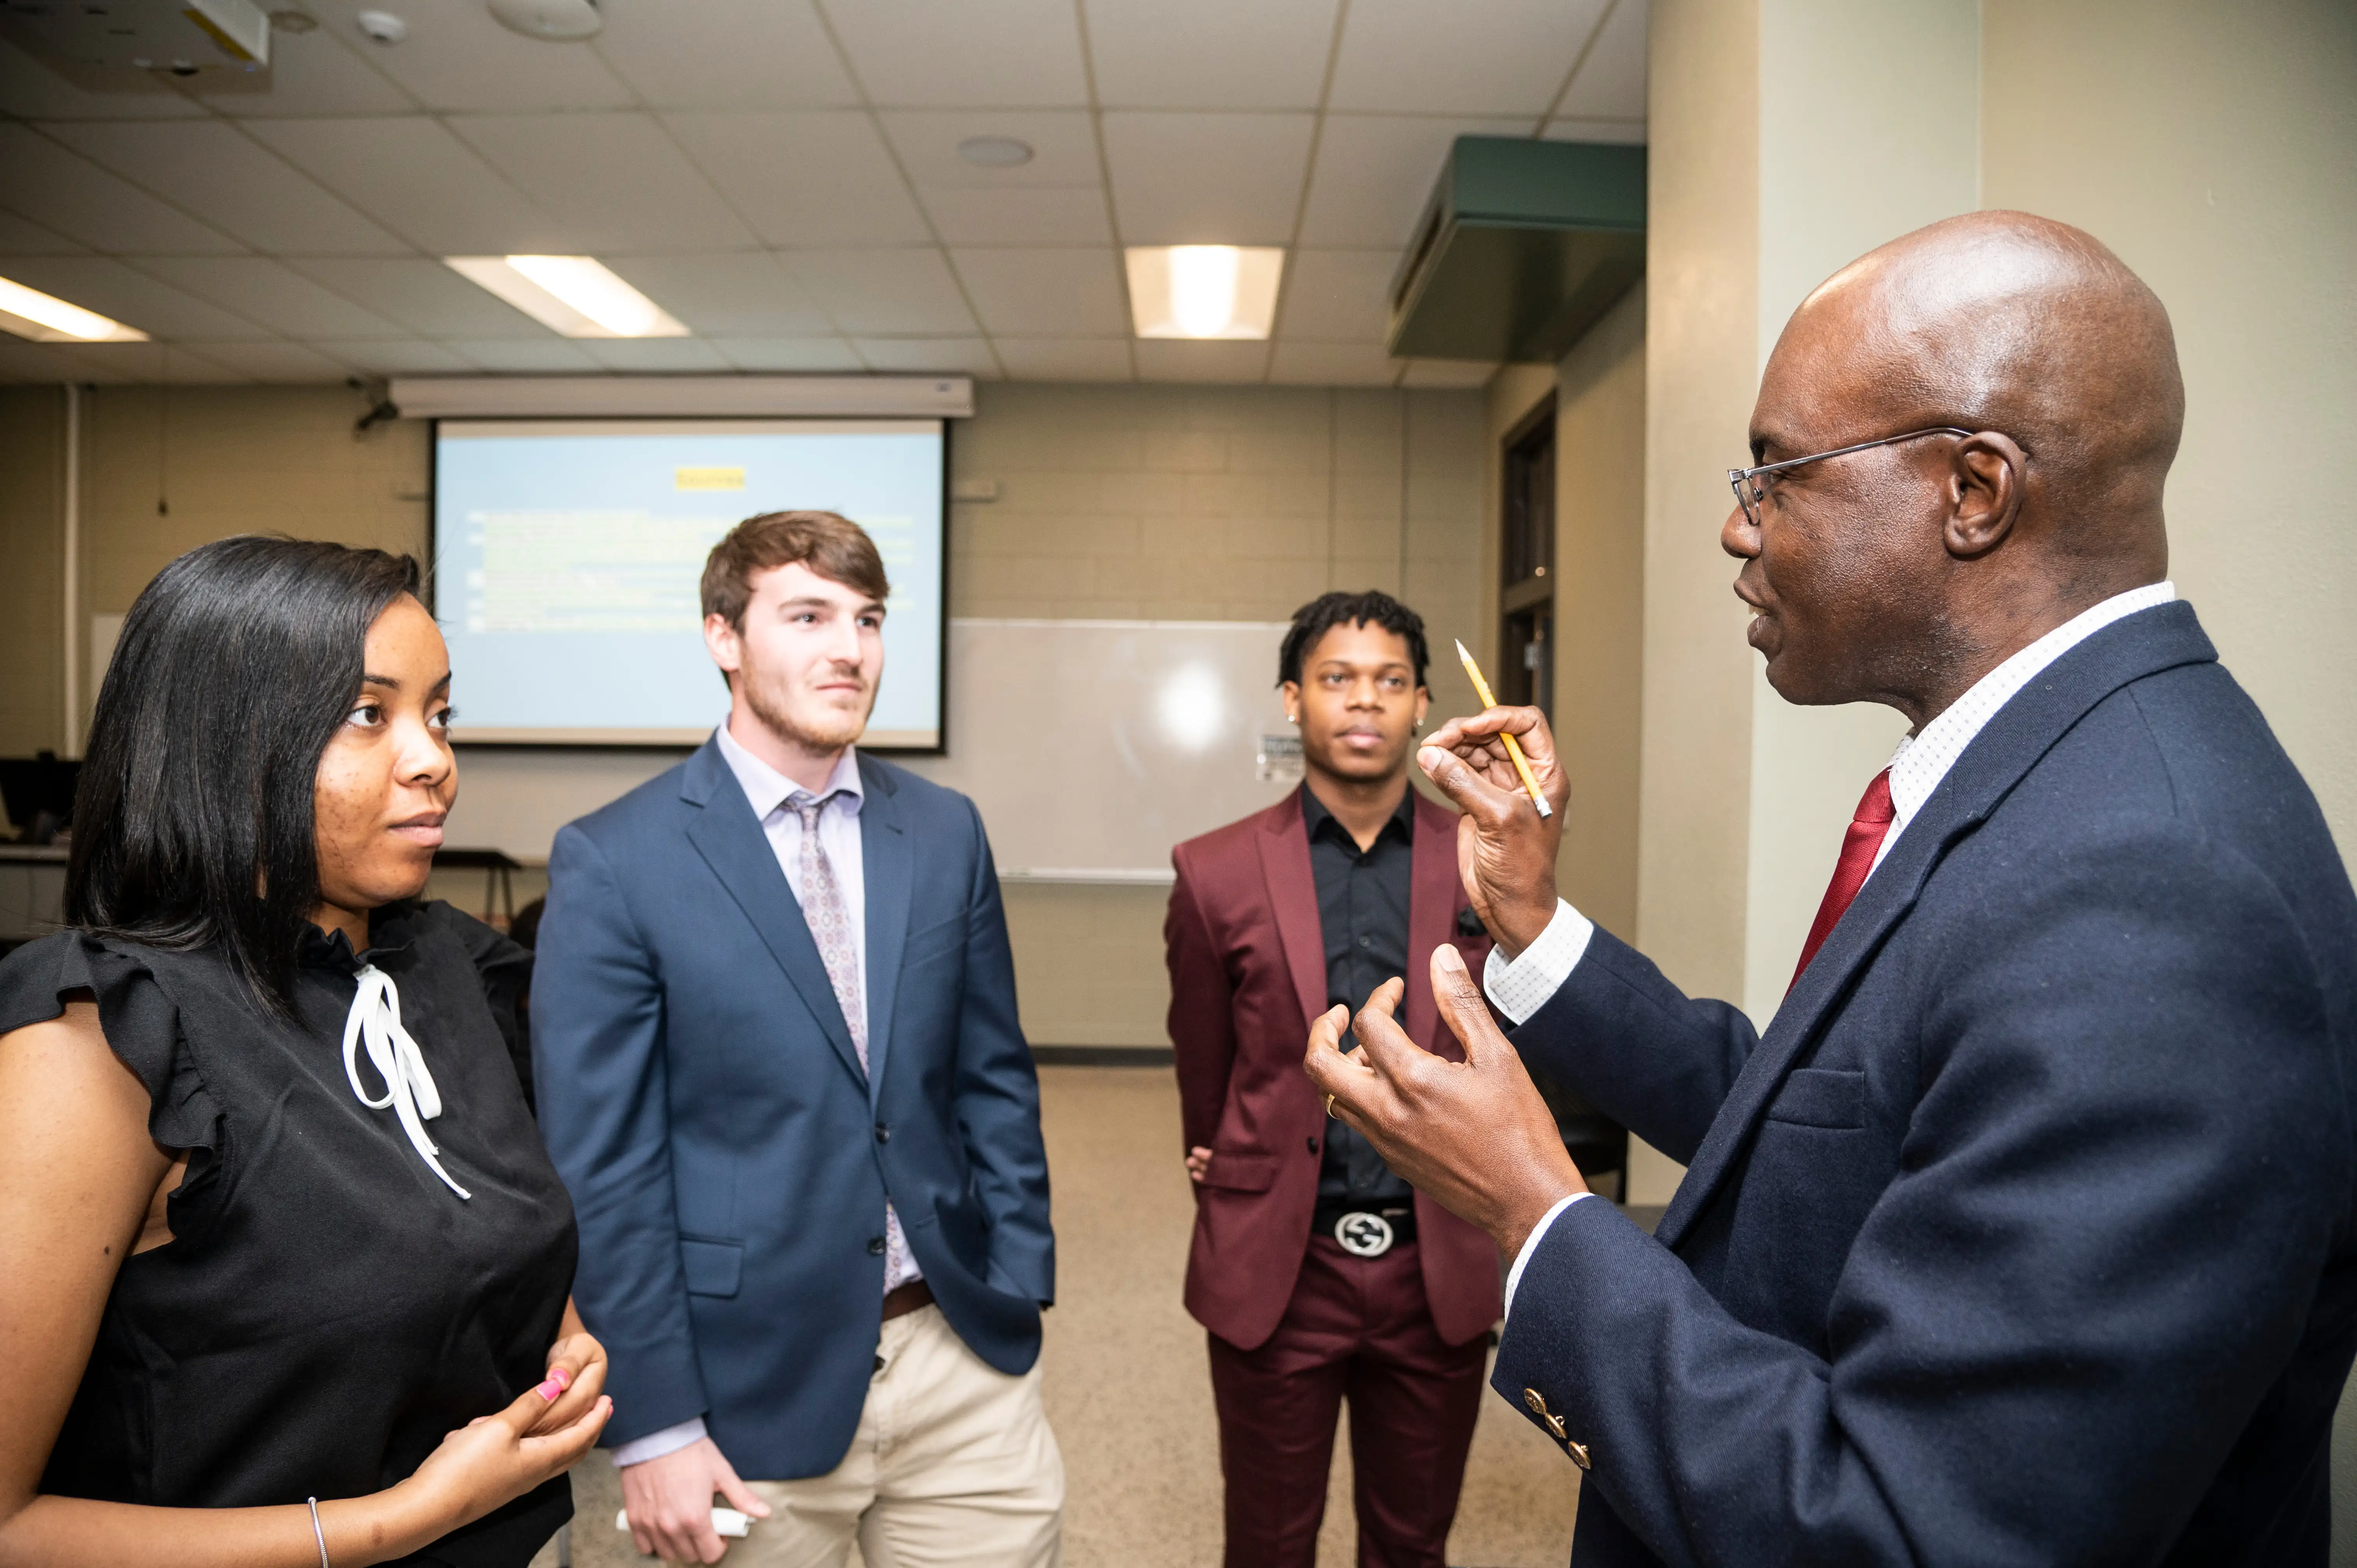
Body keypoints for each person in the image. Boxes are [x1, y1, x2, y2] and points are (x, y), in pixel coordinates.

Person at [1306, 211, 2357, 1565]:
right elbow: (1826, 1126)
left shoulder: (2151, 889)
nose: (1733, 529)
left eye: (1774, 475)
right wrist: (1532, 924)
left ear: (1970, 492)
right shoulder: (2051, 780)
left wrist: (1536, 1214)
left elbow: (1917, 1528)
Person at [0, 537, 611, 1567]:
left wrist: (558, 1329)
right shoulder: (104, 1036)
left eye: (440, 714)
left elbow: (461, 1218)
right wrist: (402, 1520)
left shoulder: (446, 967)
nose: (434, 761)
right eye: (369, 715)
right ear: (224, 742)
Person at [532, 510, 1060, 1567]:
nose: (850, 649)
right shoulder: (615, 860)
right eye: (808, 614)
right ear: (723, 635)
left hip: (958, 1358)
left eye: (868, 619)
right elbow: (606, 1170)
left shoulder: (945, 829)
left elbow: (990, 1072)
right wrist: (658, 1423)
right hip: (742, 1390)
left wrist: (1017, 1272)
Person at [1166, 591, 1501, 1568]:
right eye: (1337, 678)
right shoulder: (1213, 870)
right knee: (1267, 1542)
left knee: (1412, 1543)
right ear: (1292, 700)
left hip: (1433, 1259)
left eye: (1391, 681)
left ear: (1423, 703)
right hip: (1281, 1261)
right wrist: (1228, 1152)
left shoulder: (1484, 859)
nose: (1365, 701)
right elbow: (1204, 1058)